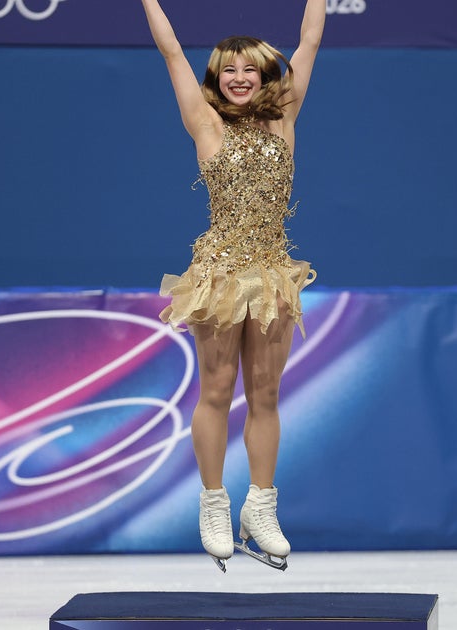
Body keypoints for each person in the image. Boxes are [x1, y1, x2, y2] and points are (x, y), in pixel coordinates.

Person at [139, 0, 325, 571]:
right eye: (228, 71)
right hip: (220, 273)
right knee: (217, 390)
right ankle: (214, 502)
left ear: (265, 75)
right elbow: (171, 50)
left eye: (250, 69)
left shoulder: (284, 117)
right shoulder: (206, 122)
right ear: (215, 79)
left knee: (265, 395)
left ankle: (260, 506)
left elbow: (311, 40)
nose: (240, 79)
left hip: (272, 272)